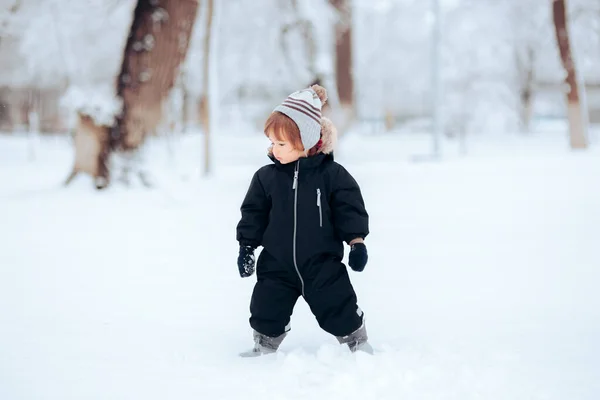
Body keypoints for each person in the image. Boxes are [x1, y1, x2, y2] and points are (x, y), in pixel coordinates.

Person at [236, 85, 372, 356]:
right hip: (276, 263)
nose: (274, 149)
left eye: (281, 143)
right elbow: (253, 213)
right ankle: (264, 344)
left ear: (306, 141)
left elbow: (349, 208)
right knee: (266, 304)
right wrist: (246, 247)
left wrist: (356, 242)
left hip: (322, 263)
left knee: (338, 301)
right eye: (272, 142)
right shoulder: (266, 178)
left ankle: (356, 340)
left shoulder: (332, 176)